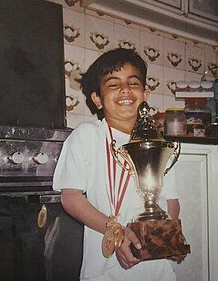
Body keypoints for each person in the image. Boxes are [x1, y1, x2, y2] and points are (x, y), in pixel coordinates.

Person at [53, 48, 180, 281]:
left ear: (145, 94)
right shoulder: (88, 134)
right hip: (109, 261)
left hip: (158, 263)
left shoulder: (156, 142)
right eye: (113, 84)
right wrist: (117, 232)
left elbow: (170, 199)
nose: (125, 89)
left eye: (133, 83)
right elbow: (70, 197)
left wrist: (169, 234)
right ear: (97, 99)